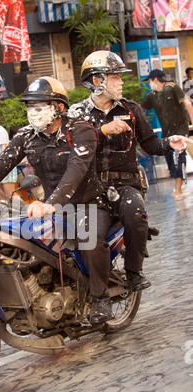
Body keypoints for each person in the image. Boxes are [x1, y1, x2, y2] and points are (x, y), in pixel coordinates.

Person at [0, 77, 107, 323]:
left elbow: (76, 171)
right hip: (51, 209)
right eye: (29, 107)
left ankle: (100, 297)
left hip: (88, 204)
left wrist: (51, 202)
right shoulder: (26, 136)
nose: (33, 112)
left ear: (59, 107)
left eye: (39, 106)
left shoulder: (80, 130)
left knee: (90, 238)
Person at [68, 51, 189, 322]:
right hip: (93, 191)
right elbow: (75, 149)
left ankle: (133, 272)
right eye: (114, 77)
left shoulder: (131, 109)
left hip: (126, 187)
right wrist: (103, 131)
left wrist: (169, 143)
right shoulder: (78, 113)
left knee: (136, 214)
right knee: (89, 237)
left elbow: (149, 144)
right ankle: (100, 298)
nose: (121, 82)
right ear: (97, 81)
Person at [141, 69, 193, 199]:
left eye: (149, 81)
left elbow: (187, 102)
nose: (149, 84)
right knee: (170, 159)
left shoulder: (172, 87)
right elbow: (141, 110)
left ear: (155, 80)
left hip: (180, 130)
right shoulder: (152, 96)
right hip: (167, 134)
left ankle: (178, 189)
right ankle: (178, 184)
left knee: (178, 158)